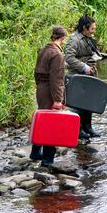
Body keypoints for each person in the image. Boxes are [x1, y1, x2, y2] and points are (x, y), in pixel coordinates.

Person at [64, 15, 107, 139]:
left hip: (90, 74)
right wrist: (84, 67)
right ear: (84, 28)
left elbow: (92, 51)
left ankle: (88, 127)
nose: (93, 31)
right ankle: (78, 129)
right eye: (92, 28)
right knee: (78, 104)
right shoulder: (74, 40)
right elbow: (69, 58)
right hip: (78, 75)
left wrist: (102, 56)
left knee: (89, 102)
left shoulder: (88, 37)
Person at [29, 26, 67, 167]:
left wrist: (40, 86)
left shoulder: (43, 50)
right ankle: (47, 159)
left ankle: (35, 152)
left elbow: (36, 72)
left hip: (41, 88)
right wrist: (57, 99)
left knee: (42, 121)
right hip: (50, 91)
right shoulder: (57, 54)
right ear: (63, 38)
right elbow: (56, 79)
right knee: (51, 124)